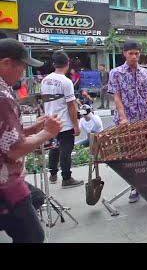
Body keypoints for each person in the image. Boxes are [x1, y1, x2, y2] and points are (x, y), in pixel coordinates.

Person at [0, 38, 63, 243]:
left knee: (35, 198)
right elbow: (15, 149)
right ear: (6, 63)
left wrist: (31, 128)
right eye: (22, 66)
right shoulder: (3, 97)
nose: (24, 72)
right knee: (32, 237)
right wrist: (47, 133)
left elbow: (5, 137)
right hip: (6, 183)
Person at [108, 39, 147, 203]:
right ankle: (134, 186)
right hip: (126, 121)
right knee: (129, 154)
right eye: (131, 53)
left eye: (136, 53)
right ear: (124, 54)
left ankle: (144, 184)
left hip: (143, 119)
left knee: (144, 152)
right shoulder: (116, 73)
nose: (134, 56)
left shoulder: (145, 73)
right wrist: (123, 118)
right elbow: (117, 97)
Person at [41, 51, 84, 188]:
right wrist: (76, 125)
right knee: (65, 150)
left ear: (54, 64)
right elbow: (71, 105)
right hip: (64, 123)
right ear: (68, 63)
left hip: (50, 121)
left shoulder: (45, 80)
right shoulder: (66, 82)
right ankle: (66, 178)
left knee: (54, 147)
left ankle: (53, 174)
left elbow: (43, 102)